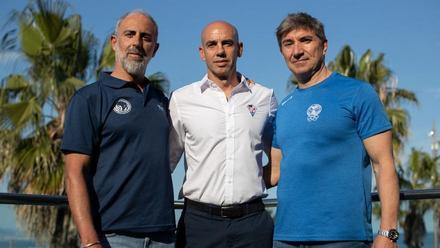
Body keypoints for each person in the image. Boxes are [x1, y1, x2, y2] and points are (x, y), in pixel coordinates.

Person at [266, 12, 400, 248]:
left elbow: (383, 164)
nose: (296, 50)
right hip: (285, 237)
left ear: (324, 46)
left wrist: (388, 232)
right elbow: (274, 173)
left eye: (305, 40)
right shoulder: (283, 108)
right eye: (288, 44)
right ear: (282, 53)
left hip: (343, 237)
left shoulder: (357, 93)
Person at [62, 10, 175, 248]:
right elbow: (74, 173)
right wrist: (90, 241)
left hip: (164, 237)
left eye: (145, 37)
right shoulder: (89, 98)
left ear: (155, 48)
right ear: (115, 42)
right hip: (112, 237)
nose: (136, 42)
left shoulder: (163, 102)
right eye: (129, 34)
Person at [169, 21, 276, 248]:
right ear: (202, 52)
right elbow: (166, 163)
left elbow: (279, 161)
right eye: (212, 44)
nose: (220, 51)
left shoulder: (264, 97)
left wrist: (250, 182)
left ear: (240, 48)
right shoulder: (181, 99)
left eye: (227, 43)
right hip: (198, 224)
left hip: (252, 223)